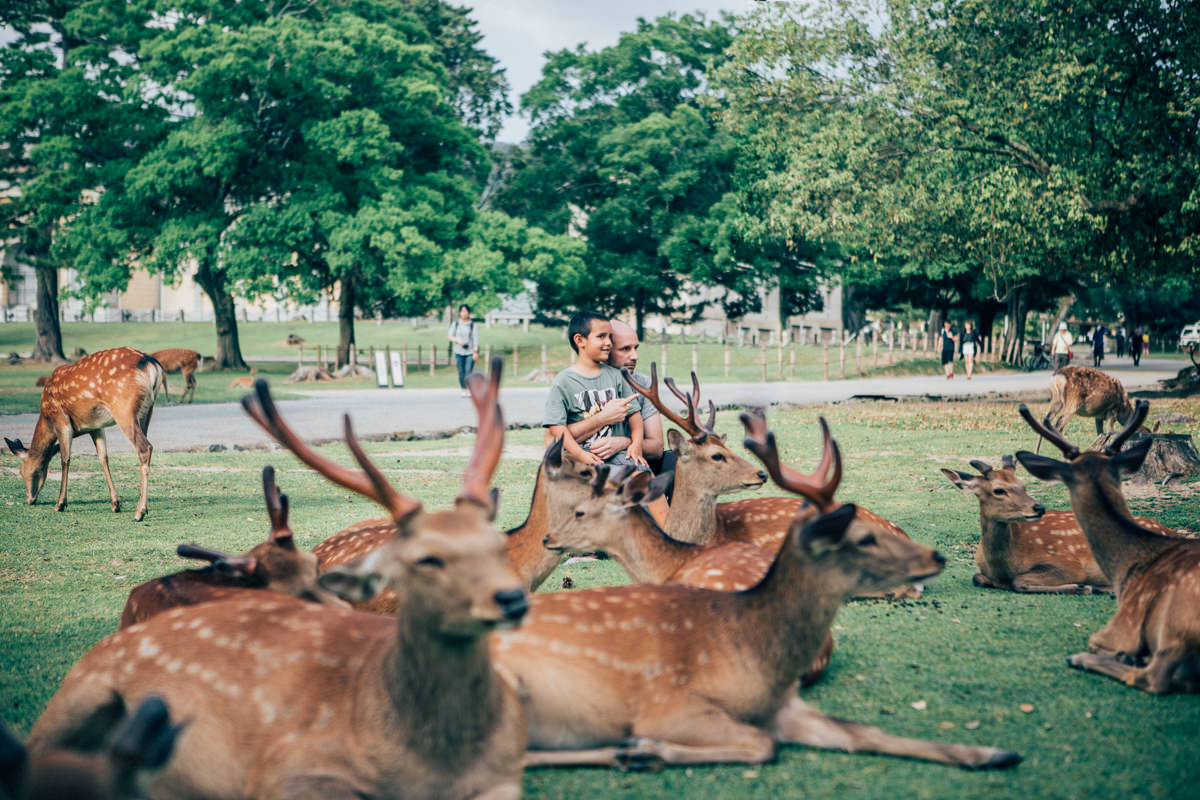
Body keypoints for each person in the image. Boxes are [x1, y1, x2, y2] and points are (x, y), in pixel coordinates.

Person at [543, 310, 646, 471]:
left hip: (616, 455)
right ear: (580, 340)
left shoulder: (616, 376)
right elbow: (557, 427)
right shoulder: (563, 382)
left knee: (643, 475)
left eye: (610, 337)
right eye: (601, 336)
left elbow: (634, 414)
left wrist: (637, 444)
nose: (609, 343)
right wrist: (580, 454)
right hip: (579, 457)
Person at [448, 304, 478, 397]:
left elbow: (476, 339)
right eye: (462, 311)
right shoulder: (456, 324)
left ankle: (469, 388)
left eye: (466, 311)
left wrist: (475, 352)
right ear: (460, 313)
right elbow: (450, 336)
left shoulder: (472, 325)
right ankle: (463, 388)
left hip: (469, 352)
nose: (464, 313)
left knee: (468, 370)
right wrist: (458, 341)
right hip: (459, 351)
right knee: (461, 372)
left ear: (469, 313)